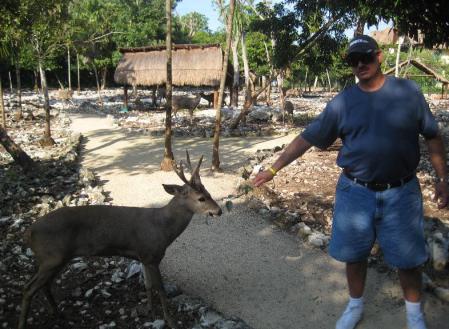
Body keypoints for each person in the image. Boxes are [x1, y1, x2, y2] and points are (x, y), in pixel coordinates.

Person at [253, 35, 449, 329]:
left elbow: (433, 134)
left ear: (379, 56)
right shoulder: (342, 103)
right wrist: (273, 169)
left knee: (408, 259)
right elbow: (307, 138)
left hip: (403, 192)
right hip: (355, 192)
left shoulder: (407, 92)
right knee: (354, 255)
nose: (360, 64)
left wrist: (443, 178)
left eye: (366, 57)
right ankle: (355, 306)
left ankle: (414, 315)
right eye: (353, 60)